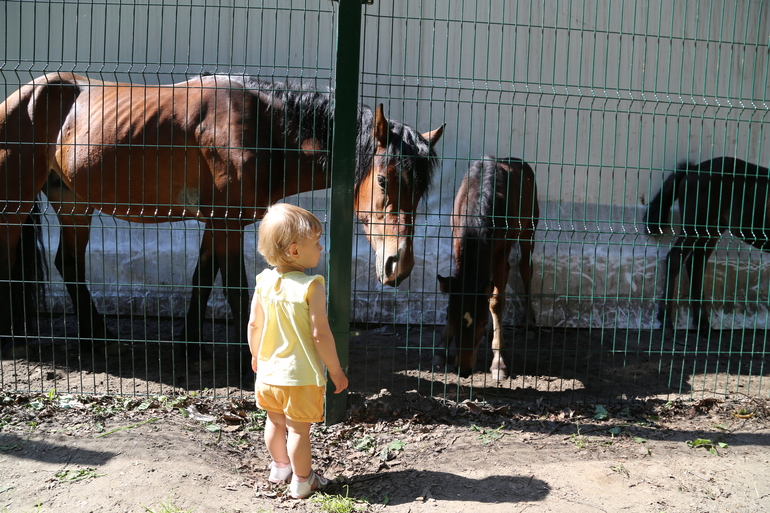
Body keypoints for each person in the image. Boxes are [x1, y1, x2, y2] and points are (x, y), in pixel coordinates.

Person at [248, 203, 348, 499]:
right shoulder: (311, 286)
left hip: (267, 373)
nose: (321, 247)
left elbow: (254, 324)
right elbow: (320, 334)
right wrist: (335, 369)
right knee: (299, 432)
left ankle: (280, 467)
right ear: (294, 251)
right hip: (299, 377)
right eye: (316, 242)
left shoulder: (263, 282)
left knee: (274, 422)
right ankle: (303, 480)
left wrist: (256, 355)